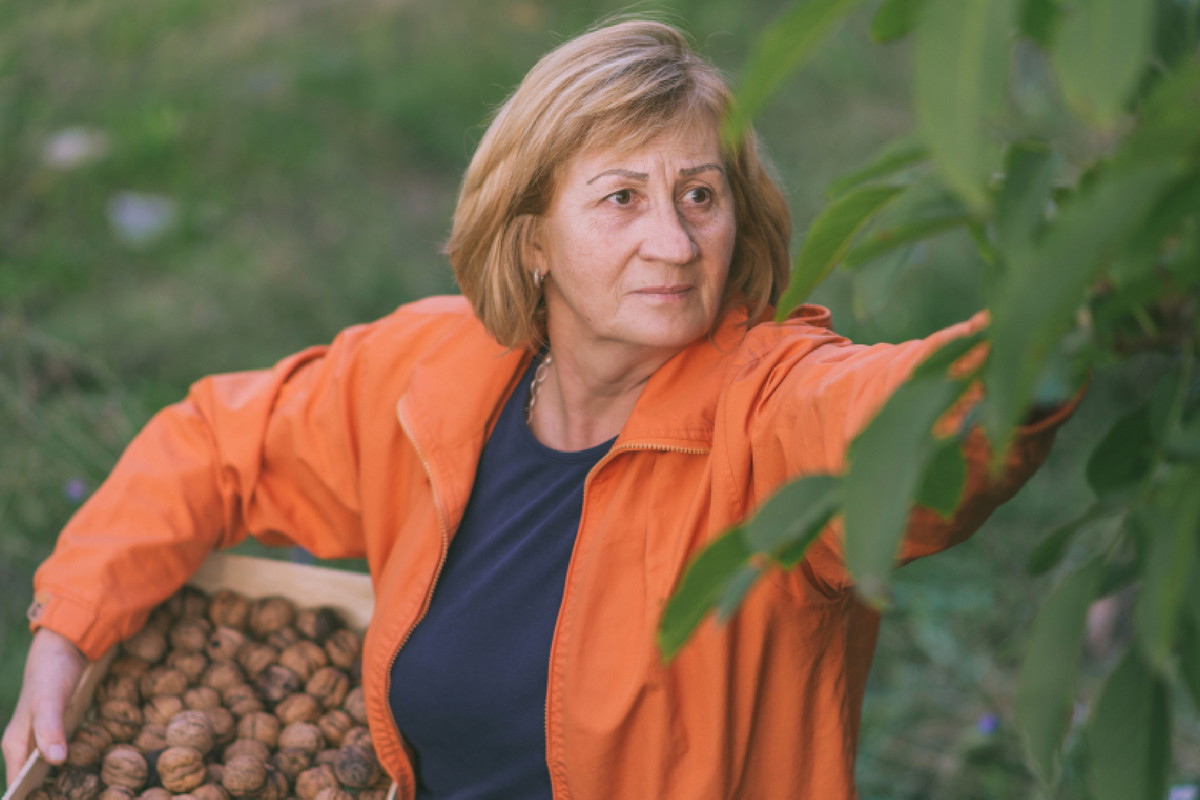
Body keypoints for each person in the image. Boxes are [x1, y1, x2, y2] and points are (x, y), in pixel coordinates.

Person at [2, 19, 1077, 799]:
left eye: (700, 195)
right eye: (622, 199)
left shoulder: (768, 411)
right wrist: (72, 622)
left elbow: (916, 426)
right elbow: (219, 442)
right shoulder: (435, 373)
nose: (675, 240)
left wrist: (1064, 311)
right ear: (531, 241)